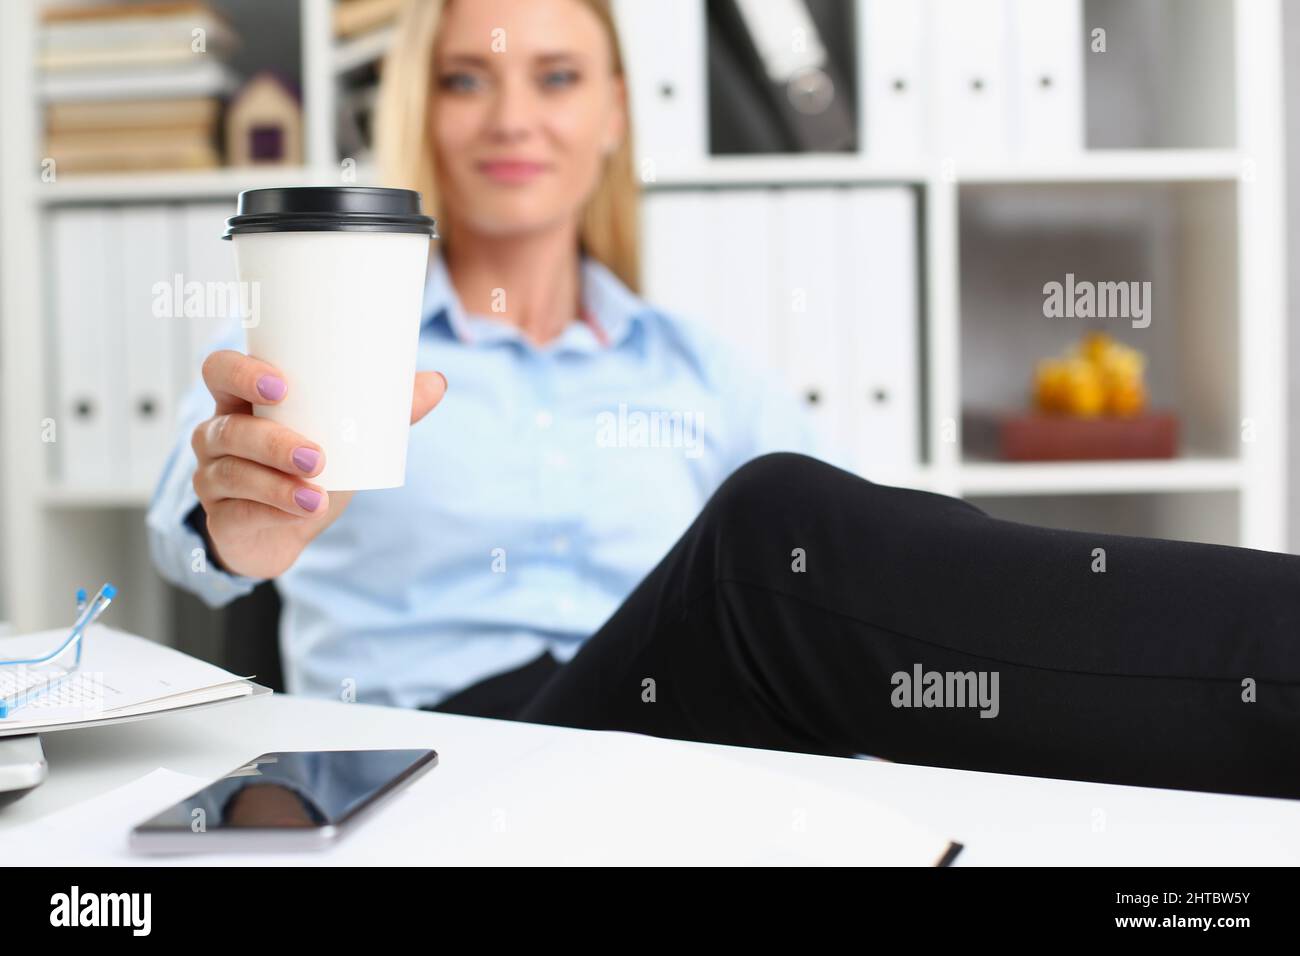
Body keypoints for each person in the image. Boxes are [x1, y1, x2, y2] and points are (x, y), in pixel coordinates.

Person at [148, 0, 1300, 800]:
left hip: (671, 758)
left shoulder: (695, 369)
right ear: (421, 109)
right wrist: (235, 519)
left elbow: (875, 577)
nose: (511, 116)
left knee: (810, 534)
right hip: (447, 777)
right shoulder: (333, 336)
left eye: (556, 77)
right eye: (466, 78)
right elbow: (197, 520)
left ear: (612, 116)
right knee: (768, 530)